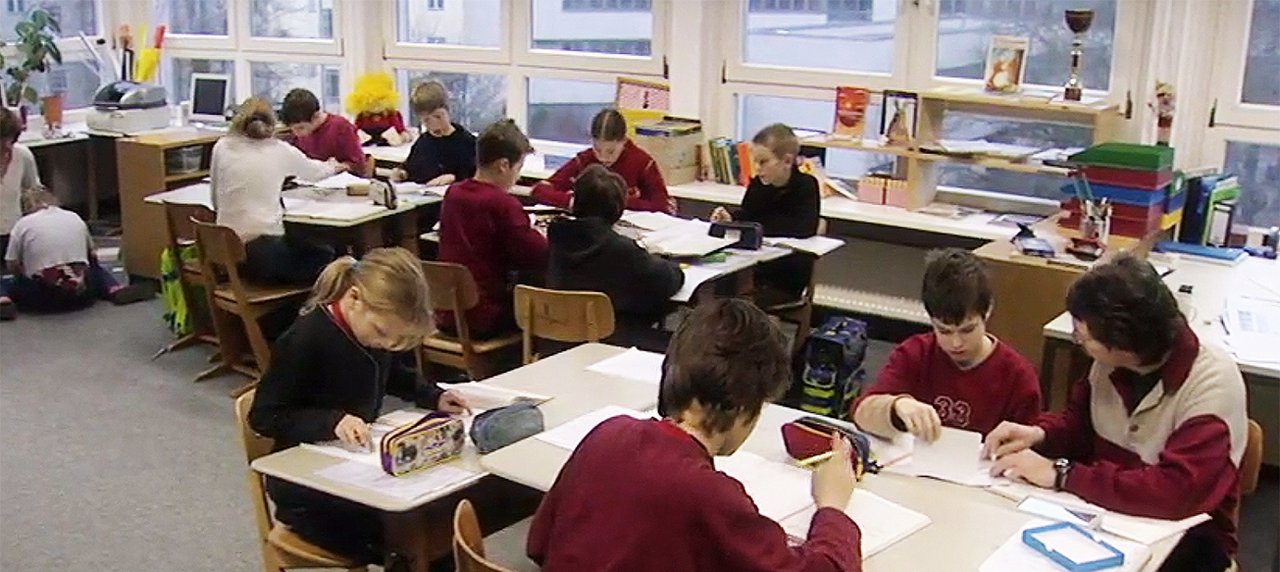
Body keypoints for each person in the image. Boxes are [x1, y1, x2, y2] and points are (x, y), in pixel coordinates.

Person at [528, 298, 861, 571]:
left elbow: (539, 543)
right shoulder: (710, 495)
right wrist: (832, 507)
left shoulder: (607, 434)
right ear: (745, 405)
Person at [984, 253, 1247, 572]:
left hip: (1187, 541)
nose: (1078, 340)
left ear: (1123, 345)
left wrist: (1063, 474)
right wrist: (1041, 435)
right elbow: (1081, 427)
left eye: (1084, 337)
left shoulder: (1211, 383)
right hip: (1108, 521)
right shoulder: (1109, 364)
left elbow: (1176, 494)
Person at [249, 247, 469, 567]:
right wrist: (331, 422)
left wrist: (432, 395)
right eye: (383, 334)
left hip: (355, 468)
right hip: (305, 489)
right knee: (409, 535)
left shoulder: (371, 332)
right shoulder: (304, 339)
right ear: (353, 298)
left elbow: (391, 373)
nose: (388, 346)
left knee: (432, 519)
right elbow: (264, 416)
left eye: (398, 341)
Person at [852, 248, 1040, 440]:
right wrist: (895, 406)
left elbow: (1029, 449)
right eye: (943, 331)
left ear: (988, 310)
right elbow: (861, 412)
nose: (955, 343)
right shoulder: (915, 354)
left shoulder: (1017, 376)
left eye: (968, 330)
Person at [546, 164, 684, 351]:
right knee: (679, 342)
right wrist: (670, 265)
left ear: (575, 202)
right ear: (618, 209)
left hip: (557, 341)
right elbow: (667, 281)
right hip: (612, 343)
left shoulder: (556, 238)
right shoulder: (620, 249)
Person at [211, 97, 341, 285]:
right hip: (263, 257)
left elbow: (215, 200)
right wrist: (334, 166)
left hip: (228, 253)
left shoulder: (221, 147)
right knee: (327, 253)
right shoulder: (279, 150)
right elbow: (316, 172)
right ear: (272, 124)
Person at [437, 119, 548, 338]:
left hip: (447, 312)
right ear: (503, 165)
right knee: (547, 312)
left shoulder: (453, 194)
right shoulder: (502, 203)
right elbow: (538, 255)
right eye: (519, 168)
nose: (518, 176)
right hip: (484, 316)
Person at [711, 123, 820, 304]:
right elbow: (748, 215)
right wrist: (732, 218)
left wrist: (756, 225)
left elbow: (803, 228)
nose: (757, 168)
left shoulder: (806, 185)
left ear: (787, 161)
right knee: (717, 290)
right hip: (751, 265)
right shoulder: (759, 185)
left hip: (785, 274)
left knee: (735, 304)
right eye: (755, 162)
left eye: (763, 162)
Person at [1, 187, 152, 318]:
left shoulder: (22, 225)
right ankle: (114, 289)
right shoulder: (74, 217)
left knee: (5, 280)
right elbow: (92, 255)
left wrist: (23, 271)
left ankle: (4, 300)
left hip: (41, 299)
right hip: (83, 296)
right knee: (93, 269)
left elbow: (11, 264)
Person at [530, 108, 671, 213]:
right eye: (597, 149)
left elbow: (662, 205)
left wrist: (615, 202)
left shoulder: (642, 162)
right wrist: (575, 202)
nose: (603, 158)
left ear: (624, 141)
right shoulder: (584, 160)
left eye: (611, 151)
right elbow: (539, 189)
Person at [392, 80, 477, 187]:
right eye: (427, 120)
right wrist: (402, 173)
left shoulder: (466, 142)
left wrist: (455, 177)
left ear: (448, 110)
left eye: (438, 116)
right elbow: (412, 168)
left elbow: (474, 174)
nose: (434, 124)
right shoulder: (423, 142)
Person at [280, 88, 367, 173]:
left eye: (301, 128)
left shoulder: (341, 127)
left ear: (316, 116)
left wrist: (338, 167)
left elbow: (359, 166)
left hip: (339, 182)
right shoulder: (299, 133)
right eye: (293, 129)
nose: (297, 134)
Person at [1, 107, 42, 266]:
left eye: (10, 139)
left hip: (15, 235)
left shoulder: (22, 155)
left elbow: (34, 193)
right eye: (1, 140)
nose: (7, 146)